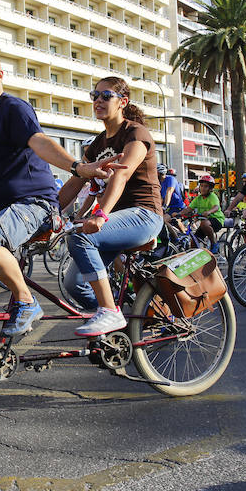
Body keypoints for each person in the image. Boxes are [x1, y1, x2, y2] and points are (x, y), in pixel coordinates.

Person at [0, 53, 122, 394]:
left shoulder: (13, 108)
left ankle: (27, 302)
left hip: (32, 204)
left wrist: (77, 167)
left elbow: (40, 142)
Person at [60, 77, 164, 330]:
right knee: (74, 284)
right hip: (115, 221)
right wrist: (46, 212)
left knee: (80, 237)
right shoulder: (97, 144)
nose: (98, 100)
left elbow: (121, 175)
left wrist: (100, 214)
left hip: (144, 215)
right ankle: (123, 328)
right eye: (94, 95)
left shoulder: (135, 133)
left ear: (122, 102)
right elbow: (75, 182)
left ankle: (109, 311)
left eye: (106, 96)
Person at [180, 174, 224, 252]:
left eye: (206, 186)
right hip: (205, 223)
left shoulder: (212, 196)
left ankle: (214, 244)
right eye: (202, 186)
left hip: (217, 220)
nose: (203, 188)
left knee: (204, 223)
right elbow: (189, 208)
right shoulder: (198, 199)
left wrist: (208, 212)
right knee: (194, 241)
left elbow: (216, 207)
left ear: (210, 189)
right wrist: (178, 214)